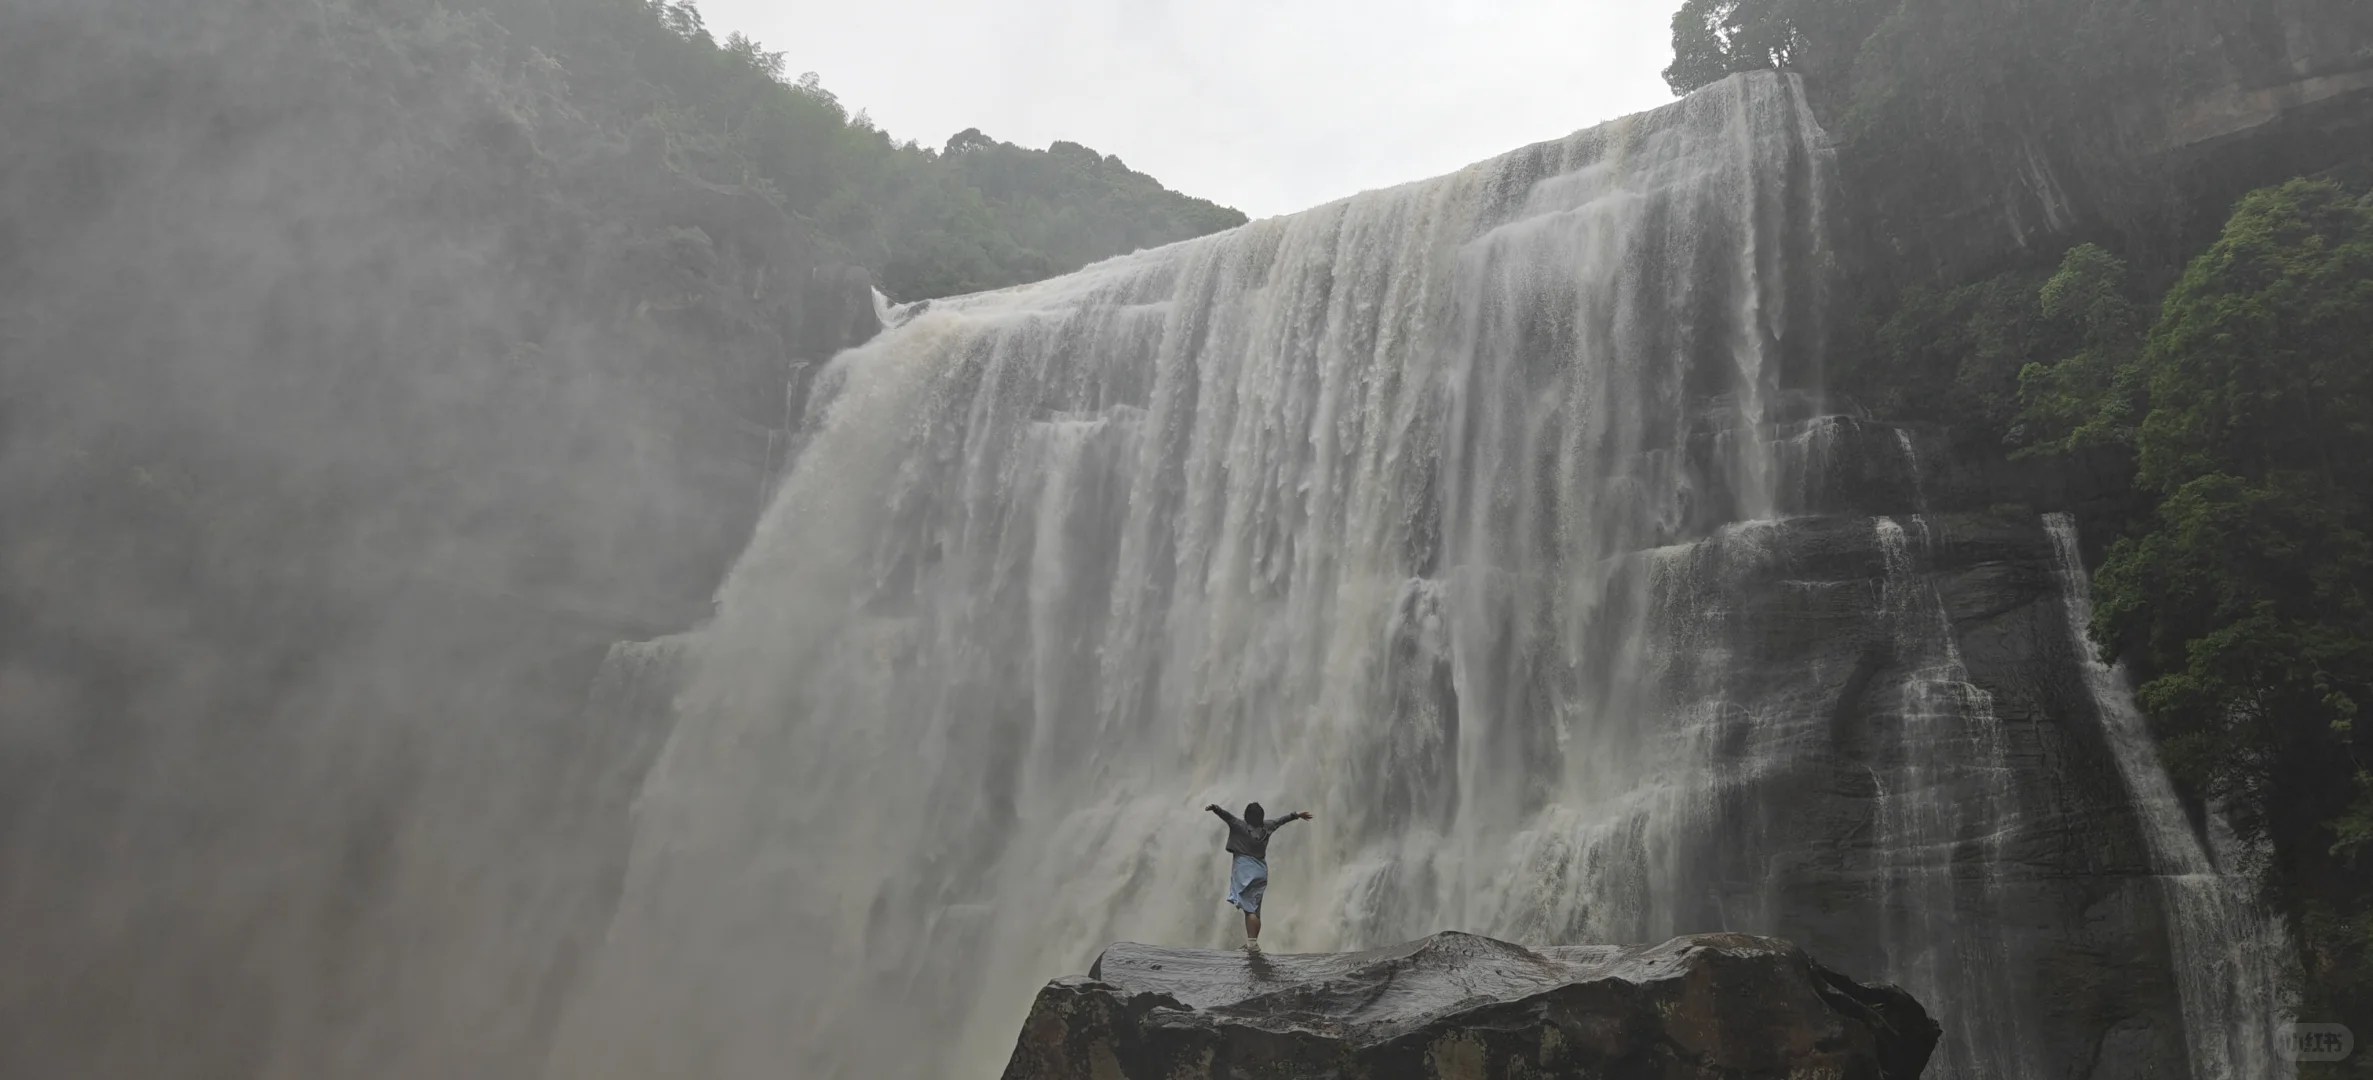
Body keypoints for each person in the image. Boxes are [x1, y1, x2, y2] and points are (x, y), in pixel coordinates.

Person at [1203, 801, 1312, 950]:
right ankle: (1252, 942)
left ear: (1247, 816)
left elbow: (1226, 816)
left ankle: (1252, 944)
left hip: (1245, 870)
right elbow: (1281, 821)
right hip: (1260, 870)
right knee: (1255, 908)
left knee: (1249, 910)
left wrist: (1215, 809)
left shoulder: (1239, 825)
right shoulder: (1267, 826)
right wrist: (1297, 815)